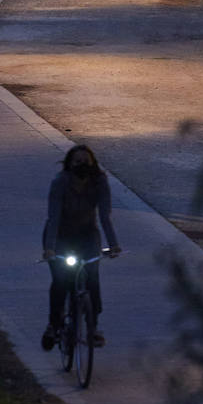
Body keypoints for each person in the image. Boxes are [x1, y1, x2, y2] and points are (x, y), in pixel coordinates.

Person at [41, 144, 122, 351]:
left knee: (92, 278)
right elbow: (54, 218)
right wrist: (50, 249)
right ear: (69, 164)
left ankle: (93, 327)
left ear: (93, 163)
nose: (82, 165)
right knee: (60, 280)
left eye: (86, 162)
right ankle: (53, 324)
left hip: (87, 236)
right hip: (60, 236)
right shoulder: (60, 183)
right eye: (77, 162)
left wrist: (113, 244)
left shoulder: (100, 182)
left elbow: (104, 216)